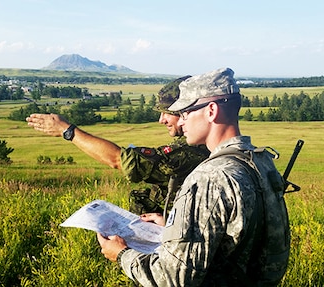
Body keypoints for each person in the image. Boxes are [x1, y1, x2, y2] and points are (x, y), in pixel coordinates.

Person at [97, 67, 290, 286]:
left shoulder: (210, 177)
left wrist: (122, 254)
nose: (181, 122)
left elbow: (172, 279)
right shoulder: (262, 162)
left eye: (185, 113)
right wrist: (172, 230)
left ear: (211, 111)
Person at [26, 77, 210, 215]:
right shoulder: (202, 144)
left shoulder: (191, 150)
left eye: (168, 113)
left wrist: (68, 131)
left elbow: (120, 161)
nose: (161, 120)